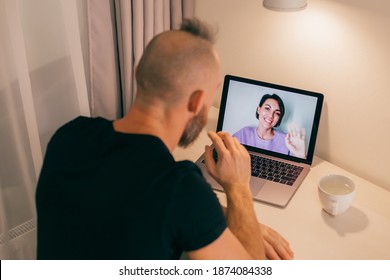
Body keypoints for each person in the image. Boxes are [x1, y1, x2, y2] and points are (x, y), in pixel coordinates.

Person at [36, 18, 293, 260]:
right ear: (195, 101)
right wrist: (238, 189)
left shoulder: (69, 136)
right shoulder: (179, 187)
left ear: (138, 73)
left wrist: (216, 216)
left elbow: (121, 201)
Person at [233, 94, 306, 159]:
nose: (271, 115)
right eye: (267, 108)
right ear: (258, 109)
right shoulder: (244, 133)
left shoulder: (287, 141)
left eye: (277, 113)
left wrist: (300, 155)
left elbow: (295, 169)